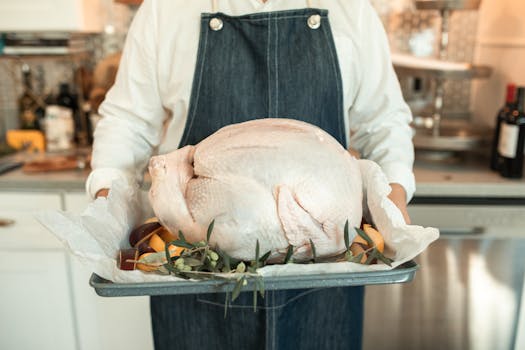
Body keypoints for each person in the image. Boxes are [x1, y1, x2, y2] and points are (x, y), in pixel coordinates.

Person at [87, 0, 415, 349]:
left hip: (326, 273)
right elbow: (128, 121)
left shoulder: (350, 8)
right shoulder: (166, 9)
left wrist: (393, 204)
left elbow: (384, 122)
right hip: (195, 274)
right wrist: (108, 203)